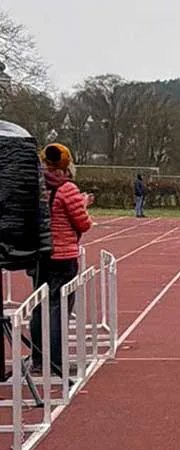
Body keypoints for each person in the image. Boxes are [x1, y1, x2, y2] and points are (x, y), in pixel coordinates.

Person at [32, 143, 94, 376]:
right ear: (66, 164)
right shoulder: (68, 189)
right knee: (58, 308)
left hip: (40, 255)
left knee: (39, 307)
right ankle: (56, 361)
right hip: (63, 255)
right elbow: (83, 224)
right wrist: (83, 205)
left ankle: (38, 359)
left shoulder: (35, 187)